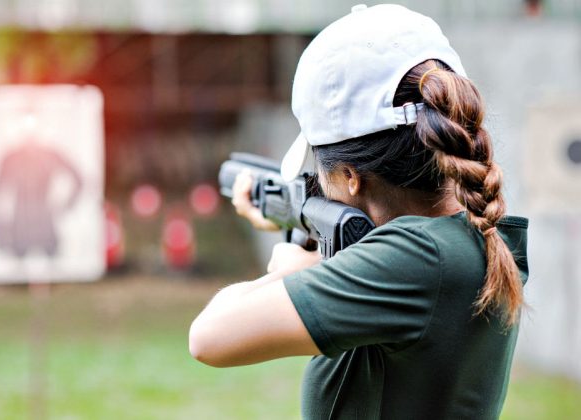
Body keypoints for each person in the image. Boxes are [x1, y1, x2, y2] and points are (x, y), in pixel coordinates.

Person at [189, 4, 529, 419]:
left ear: (351, 176)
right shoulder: (468, 240)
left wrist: (296, 269)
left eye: (322, 173)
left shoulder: (418, 259)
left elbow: (208, 337)